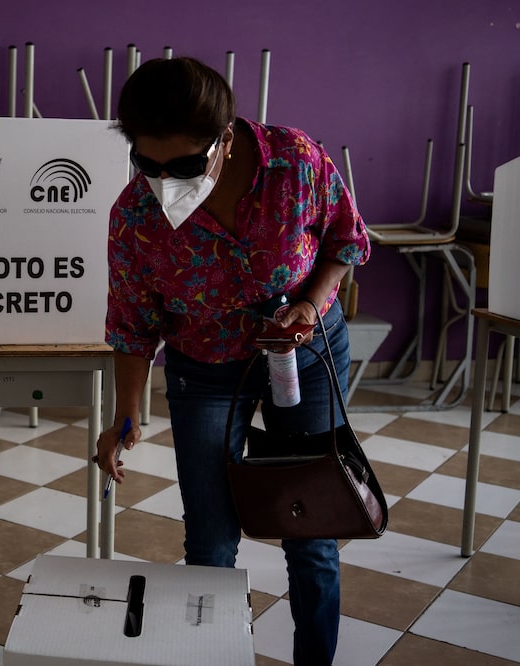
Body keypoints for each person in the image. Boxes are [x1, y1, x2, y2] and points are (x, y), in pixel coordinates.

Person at [95, 56, 370, 665]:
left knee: (310, 531)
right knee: (211, 543)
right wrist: (125, 416)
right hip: (204, 366)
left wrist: (308, 303)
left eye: (185, 165)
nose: (165, 180)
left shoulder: (293, 162)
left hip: (304, 353)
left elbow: (344, 242)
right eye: (148, 163)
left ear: (224, 138)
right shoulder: (135, 218)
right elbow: (134, 326)